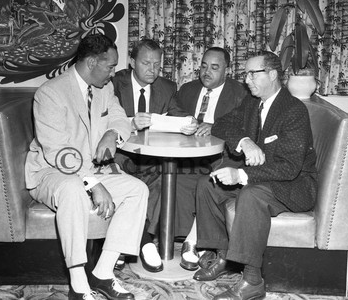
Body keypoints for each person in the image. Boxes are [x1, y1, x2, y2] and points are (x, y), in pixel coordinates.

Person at [25, 34, 149, 300]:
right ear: (92, 62)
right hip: (51, 171)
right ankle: (78, 283)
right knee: (72, 190)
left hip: (89, 170)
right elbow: (59, 151)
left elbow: (118, 117)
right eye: (110, 66)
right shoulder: (50, 93)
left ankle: (103, 272)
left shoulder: (104, 88)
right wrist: (94, 184)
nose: (113, 72)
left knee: (137, 189)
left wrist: (111, 135)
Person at [193, 51, 317, 300]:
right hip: (264, 179)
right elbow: (222, 123)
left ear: (272, 74)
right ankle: (224, 255)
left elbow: (289, 168)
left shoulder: (293, 111)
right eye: (245, 73)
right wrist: (245, 141)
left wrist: (240, 175)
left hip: (293, 185)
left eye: (252, 73)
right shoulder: (252, 102)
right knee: (207, 184)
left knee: (250, 195)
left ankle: (252, 281)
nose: (246, 79)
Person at [112, 38, 197, 273]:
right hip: (120, 154)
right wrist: (130, 122)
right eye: (146, 63)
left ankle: (140, 240)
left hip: (151, 157)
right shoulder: (114, 82)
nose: (152, 70)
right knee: (124, 182)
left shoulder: (167, 87)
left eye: (157, 65)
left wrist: (189, 123)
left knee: (163, 179)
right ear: (132, 62)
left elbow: (180, 115)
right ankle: (144, 244)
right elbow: (102, 119)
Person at [175, 47, 248, 270]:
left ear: (228, 69)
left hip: (223, 157)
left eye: (215, 68)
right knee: (172, 177)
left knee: (211, 181)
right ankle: (187, 238)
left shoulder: (241, 93)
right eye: (204, 66)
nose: (207, 72)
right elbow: (174, 113)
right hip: (189, 155)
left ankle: (193, 240)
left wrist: (215, 127)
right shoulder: (187, 89)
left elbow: (245, 127)